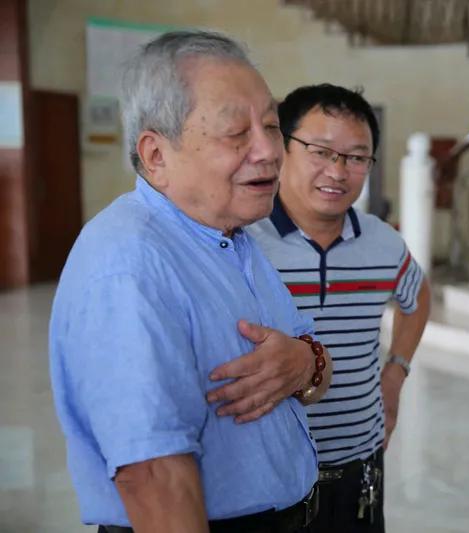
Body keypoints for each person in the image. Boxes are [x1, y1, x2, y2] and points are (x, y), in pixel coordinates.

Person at [49, 31, 334, 532]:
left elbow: (311, 366)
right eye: (236, 132)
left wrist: (305, 364)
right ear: (156, 155)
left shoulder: (234, 237)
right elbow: (152, 476)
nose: (269, 151)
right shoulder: (129, 266)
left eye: (271, 125)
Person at [247, 83, 431, 533]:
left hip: (359, 470)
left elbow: (417, 296)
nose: (338, 170)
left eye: (356, 157)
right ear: (282, 148)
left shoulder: (382, 242)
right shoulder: (244, 241)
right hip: (270, 476)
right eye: (321, 151)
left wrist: (396, 372)